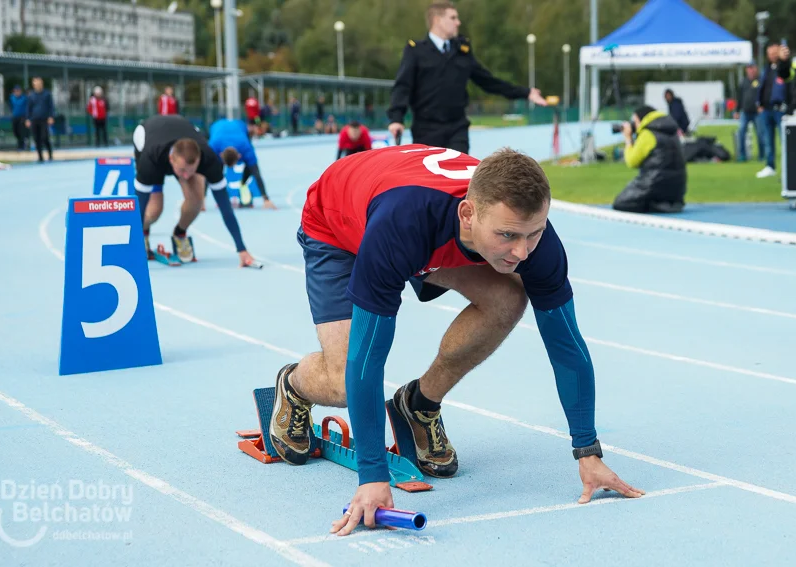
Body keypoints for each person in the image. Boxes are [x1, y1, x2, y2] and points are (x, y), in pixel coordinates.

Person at [268, 145, 644, 536]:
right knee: (344, 375)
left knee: (507, 298)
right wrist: (372, 476)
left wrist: (588, 451)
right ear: (469, 213)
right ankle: (294, 384)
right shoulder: (402, 225)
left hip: (416, 217)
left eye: (533, 233)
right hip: (340, 225)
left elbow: (567, 346)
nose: (522, 251)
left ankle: (419, 404)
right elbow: (368, 359)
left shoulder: (535, 243)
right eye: (508, 235)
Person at [387, 1, 547, 154]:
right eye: (453, 18)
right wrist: (396, 118)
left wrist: (526, 92)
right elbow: (403, 86)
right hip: (426, 130)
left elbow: (487, 81)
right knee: (430, 180)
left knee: (459, 176)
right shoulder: (416, 51)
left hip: (457, 128)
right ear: (437, 20)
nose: (458, 22)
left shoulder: (462, 50)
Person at [132, 115, 259, 267]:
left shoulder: (209, 159)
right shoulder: (150, 159)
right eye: (182, 171)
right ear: (172, 159)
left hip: (182, 133)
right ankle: (144, 232)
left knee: (196, 200)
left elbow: (225, 208)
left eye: (190, 171)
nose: (186, 176)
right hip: (150, 138)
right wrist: (135, 247)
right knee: (154, 211)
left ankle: (180, 233)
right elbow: (139, 205)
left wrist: (242, 249)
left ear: (199, 160)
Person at [612, 106, 686, 214]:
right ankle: (666, 203)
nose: (634, 125)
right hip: (677, 191)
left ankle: (656, 204)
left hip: (654, 184)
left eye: (635, 121)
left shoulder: (648, 134)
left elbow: (632, 161)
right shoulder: (673, 132)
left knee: (621, 202)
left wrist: (628, 139)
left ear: (642, 120)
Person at [207, 118, 277, 209]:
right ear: (220, 155)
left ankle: (243, 184)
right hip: (217, 127)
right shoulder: (213, 147)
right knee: (215, 170)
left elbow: (255, 172)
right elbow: (206, 172)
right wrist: (201, 201)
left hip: (239, 126)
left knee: (250, 166)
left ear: (239, 156)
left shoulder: (246, 147)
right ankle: (223, 197)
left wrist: (266, 199)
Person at [756, 44, 789, 179]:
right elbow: (762, 86)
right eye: (769, 54)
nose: (772, 56)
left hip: (779, 109)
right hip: (766, 109)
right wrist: (759, 103)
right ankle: (770, 166)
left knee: (784, 140)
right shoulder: (767, 69)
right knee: (768, 141)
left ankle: (788, 167)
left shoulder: (783, 68)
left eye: (774, 53)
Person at [734, 62, 764, 162]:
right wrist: (737, 111)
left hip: (757, 113)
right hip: (745, 112)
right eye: (749, 68)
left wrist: (762, 106)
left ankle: (762, 155)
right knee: (741, 132)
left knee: (760, 134)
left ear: (756, 69)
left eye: (752, 68)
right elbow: (740, 97)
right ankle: (742, 155)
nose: (751, 70)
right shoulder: (744, 82)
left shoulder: (761, 80)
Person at [25, 77, 54, 163]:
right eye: (35, 84)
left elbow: (51, 106)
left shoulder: (47, 94)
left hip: (44, 119)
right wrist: (28, 119)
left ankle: (50, 154)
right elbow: (28, 108)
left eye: (38, 83)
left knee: (44, 137)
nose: (37, 85)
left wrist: (51, 116)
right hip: (34, 119)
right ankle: (40, 156)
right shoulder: (31, 95)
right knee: (36, 138)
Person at [7, 85, 28, 151]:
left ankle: (21, 145)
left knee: (21, 131)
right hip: (15, 117)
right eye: (15, 91)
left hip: (22, 117)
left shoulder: (24, 98)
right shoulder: (12, 98)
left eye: (18, 91)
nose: (17, 92)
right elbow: (11, 106)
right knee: (15, 131)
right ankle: (20, 144)